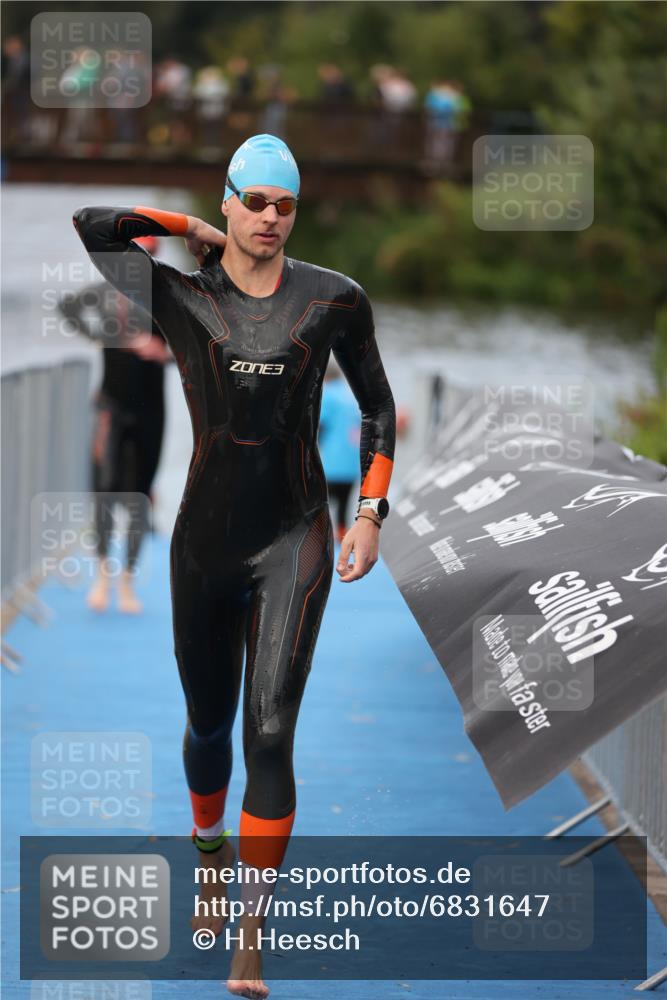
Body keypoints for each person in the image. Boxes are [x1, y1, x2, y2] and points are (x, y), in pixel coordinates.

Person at [71, 132, 396, 998]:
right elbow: (92, 223)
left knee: (270, 733)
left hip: (296, 540)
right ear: (228, 202)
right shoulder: (180, 298)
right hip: (202, 548)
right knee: (209, 727)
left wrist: (368, 512)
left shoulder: (333, 300)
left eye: (284, 205)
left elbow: (377, 410)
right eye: (253, 201)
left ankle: (250, 934)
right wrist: (184, 226)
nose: (269, 218)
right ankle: (208, 853)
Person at [58, 235, 172, 613]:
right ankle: (103, 574)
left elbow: (199, 343)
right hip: (110, 405)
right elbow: (67, 308)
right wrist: (108, 337)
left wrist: (164, 353)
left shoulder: (168, 295)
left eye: (149, 255)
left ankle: (127, 581)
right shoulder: (105, 293)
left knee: (139, 494)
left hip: (151, 408)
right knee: (104, 491)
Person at [319, 359, 362, 543]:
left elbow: (320, 425)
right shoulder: (352, 394)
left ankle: (319, 539)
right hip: (352, 462)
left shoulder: (328, 394)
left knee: (321, 504)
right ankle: (343, 536)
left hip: (331, 462)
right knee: (344, 505)